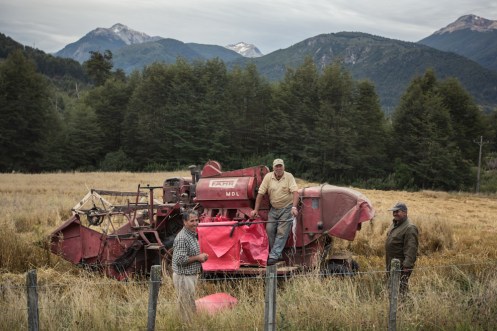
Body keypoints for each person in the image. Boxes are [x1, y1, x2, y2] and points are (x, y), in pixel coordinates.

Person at [250, 158, 299, 265]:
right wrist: (256, 210)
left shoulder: (289, 176)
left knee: (282, 232)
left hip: (287, 208)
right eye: (277, 166)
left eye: (280, 166)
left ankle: (274, 255)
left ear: (283, 167)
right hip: (274, 209)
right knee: (269, 230)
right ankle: (277, 254)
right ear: (273, 168)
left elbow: (295, 192)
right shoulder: (268, 177)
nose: (279, 168)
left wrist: (294, 207)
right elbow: (260, 193)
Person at [172, 209, 209, 322]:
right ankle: (186, 326)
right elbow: (180, 260)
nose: (195, 223)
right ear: (184, 222)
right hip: (184, 276)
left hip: (189, 275)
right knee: (186, 305)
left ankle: (189, 325)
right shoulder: (183, 238)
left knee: (189, 303)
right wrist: (198, 258)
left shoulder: (191, 234)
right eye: (192, 221)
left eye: (197, 220)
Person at [385, 202, 418, 296]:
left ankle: (404, 307)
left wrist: (407, 265)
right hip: (391, 262)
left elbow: (411, 248)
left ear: (405, 212)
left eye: (397, 211)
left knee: (401, 287)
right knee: (392, 285)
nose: (395, 213)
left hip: (401, 264)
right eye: (393, 211)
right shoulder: (396, 224)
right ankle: (396, 306)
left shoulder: (410, 227)